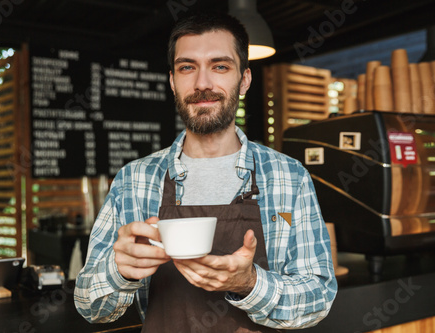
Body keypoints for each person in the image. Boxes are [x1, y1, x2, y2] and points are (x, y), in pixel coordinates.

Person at [74, 12, 337, 332]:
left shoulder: (288, 176)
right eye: (187, 67)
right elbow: (89, 305)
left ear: (244, 80)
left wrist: (250, 283)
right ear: (172, 81)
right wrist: (120, 270)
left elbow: (320, 297)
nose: (202, 83)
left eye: (220, 66)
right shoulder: (135, 180)